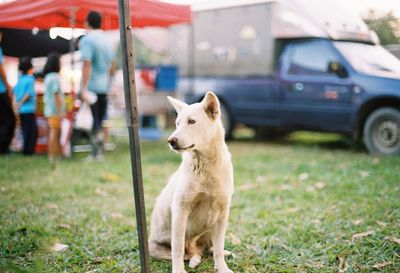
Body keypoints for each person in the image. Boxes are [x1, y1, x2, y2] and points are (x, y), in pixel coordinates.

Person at [79, 10, 116, 161]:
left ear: (87, 23)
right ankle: (99, 152)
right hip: (104, 86)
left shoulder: (87, 40)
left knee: (93, 119)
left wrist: (83, 88)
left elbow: (86, 64)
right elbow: (113, 64)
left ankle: (95, 153)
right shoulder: (108, 39)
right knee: (100, 119)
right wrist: (109, 80)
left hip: (92, 86)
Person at [13, 56, 37, 155]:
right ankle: (28, 152)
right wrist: (20, 103)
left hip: (21, 110)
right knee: (31, 132)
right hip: (29, 109)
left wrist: (16, 107)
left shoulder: (19, 80)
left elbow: (15, 95)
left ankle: (25, 150)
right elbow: (28, 94)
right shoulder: (30, 79)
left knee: (24, 131)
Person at [43, 52, 64, 162]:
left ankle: (55, 155)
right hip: (55, 110)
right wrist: (60, 111)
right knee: (55, 133)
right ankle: (53, 156)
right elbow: (56, 95)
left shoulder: (47, 77)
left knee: (53, 132)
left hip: (49, 109)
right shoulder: (55, 77)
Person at [0, 31, 16, 154]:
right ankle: (3, 147)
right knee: (9, 119)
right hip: (1, 90)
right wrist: (8, 86)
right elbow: (0, 68)